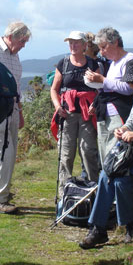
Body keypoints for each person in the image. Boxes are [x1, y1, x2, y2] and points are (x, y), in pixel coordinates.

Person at [79, 59, 133, 249]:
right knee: (107, 173)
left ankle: (130, 225)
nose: (130, 86)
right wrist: (122, 129)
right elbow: (131, 121)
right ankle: (98, 228)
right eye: (128, 82)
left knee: (122, 177)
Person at [0, 22, 31, 214]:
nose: (24, 45)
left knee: (9, 152)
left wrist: (19, 112)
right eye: (22, 41)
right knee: (3, 152)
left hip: (12, 109)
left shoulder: (15, 55)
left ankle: (1, 191)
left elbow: (17, 87)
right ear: (11, 36)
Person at [50, 31, 100, 196]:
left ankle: (94, 192)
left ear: (85, 45)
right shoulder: (63, 63)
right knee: (66, 154)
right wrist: (58, 107)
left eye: (76, 42)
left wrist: (95, 103)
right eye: (70, 42)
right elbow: (54, 89)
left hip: (87, 114)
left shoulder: (93, 64)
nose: (73, 45)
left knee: (88, 151)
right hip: (67, 114)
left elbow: (101, 88)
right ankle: (64, 193)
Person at [85, 27, 133, 166]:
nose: (101, 52)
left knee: (115, 155)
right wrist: (96, 103)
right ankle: (107, 183)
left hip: (119, 114)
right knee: (105, 152)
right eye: (99, 48)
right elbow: (108, 88)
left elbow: (129, 88)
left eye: (104, 47)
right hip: (105, 113)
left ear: (115, 42)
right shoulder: (114, 63)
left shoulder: (129, 60)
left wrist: (102, 80)